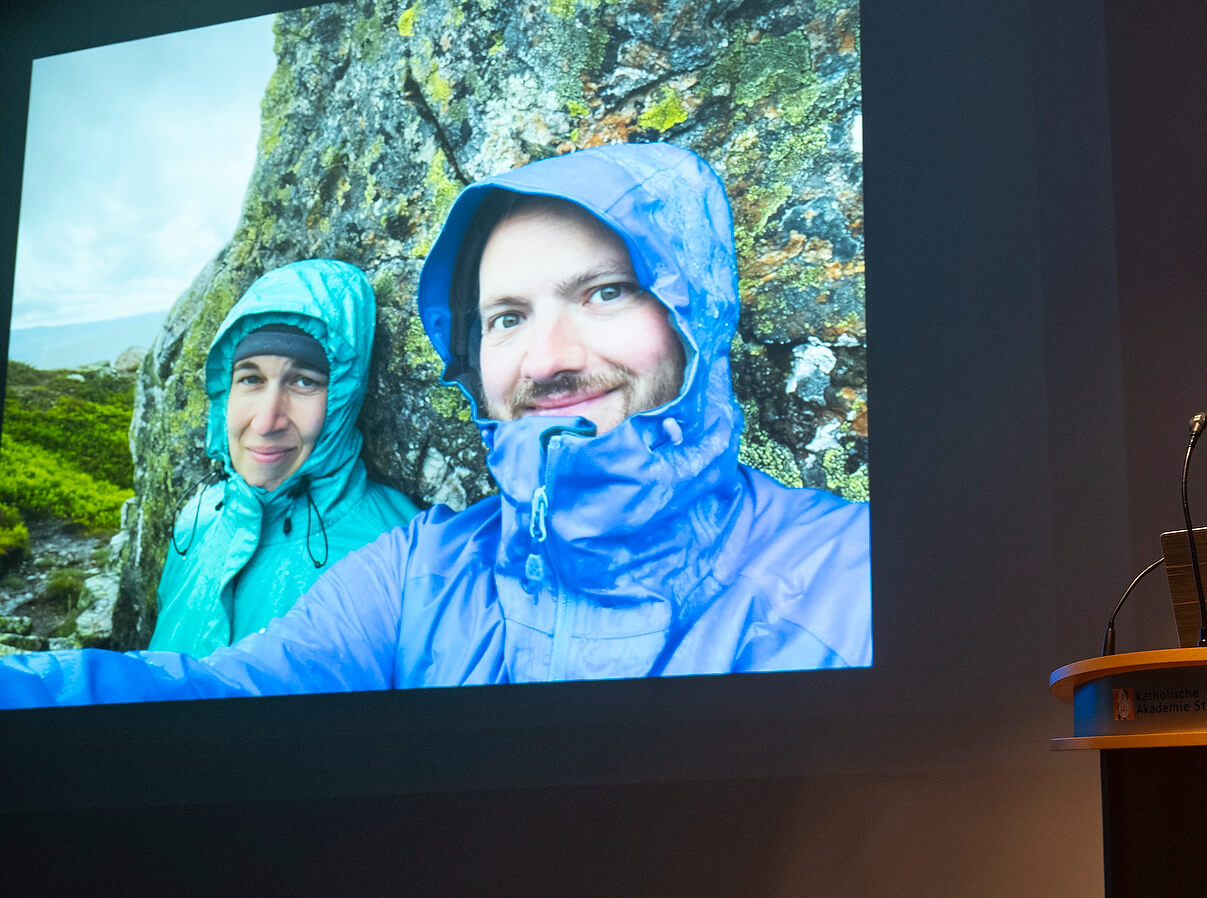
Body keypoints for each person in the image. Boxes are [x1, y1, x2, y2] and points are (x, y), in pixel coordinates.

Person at [0, 143, 871, 704]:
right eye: (506, 318)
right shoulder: (416, 576)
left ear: (694, 314)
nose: (546, 359)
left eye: (606, 293)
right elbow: (218, 691)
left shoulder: (855, 579)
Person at [148, 260, 417, 654]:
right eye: (250, 379)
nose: (266, 421)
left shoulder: (399, 549)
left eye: (304, 382)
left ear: (343, 397)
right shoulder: (197, 521)